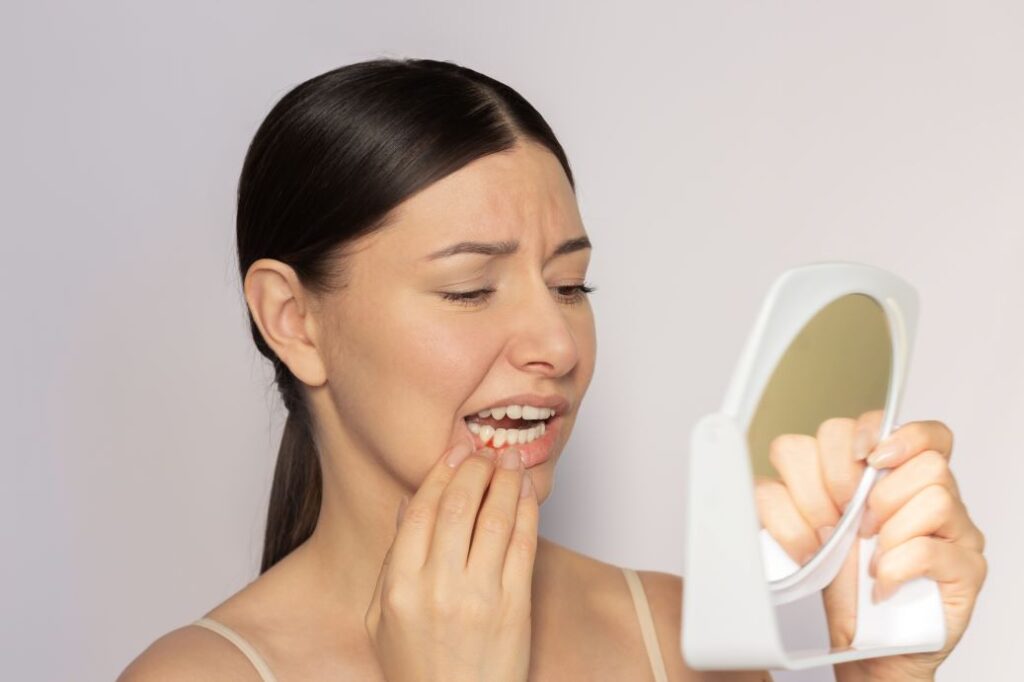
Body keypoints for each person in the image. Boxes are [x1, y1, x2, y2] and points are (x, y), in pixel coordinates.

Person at [117, 58, 985, 682]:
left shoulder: (683, 640)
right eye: (469, 288)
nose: (558, 345)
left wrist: (886, 678)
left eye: (570, 283)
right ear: (293, 320)